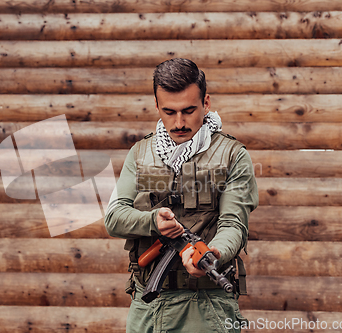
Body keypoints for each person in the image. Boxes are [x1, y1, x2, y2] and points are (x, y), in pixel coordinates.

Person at [104, 58, 259, 333]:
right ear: (156, 106)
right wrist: (153, 221)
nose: (179, 123)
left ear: (206, 103)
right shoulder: (140, 154)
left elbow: (234, 224)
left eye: (189, 111)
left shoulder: (233, 156)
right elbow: (114, 218)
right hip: (147, 306)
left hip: (206, 306)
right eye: (169, 112)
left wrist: (214, 253)